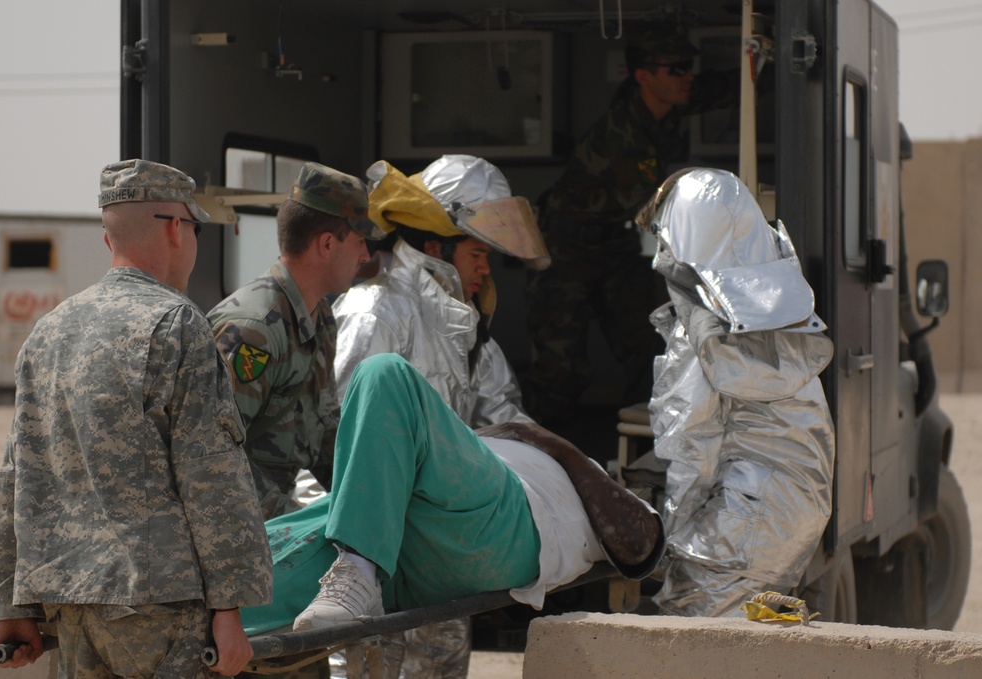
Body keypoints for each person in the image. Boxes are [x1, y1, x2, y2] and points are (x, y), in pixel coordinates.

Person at [0, 159, 273, 677]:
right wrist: (231, 606)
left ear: (107, 240)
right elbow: (211, 474)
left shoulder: (47, 333)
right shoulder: (177, 323)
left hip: (71, 603)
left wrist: (10, 606)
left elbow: (15, 477)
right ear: (173, 228)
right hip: (160, 604)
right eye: (195, 226)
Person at [239, 353, 665, 639]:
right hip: (401, 540)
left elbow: (642, 546)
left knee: (383, 371)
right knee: (241, 571)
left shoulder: (570, 475)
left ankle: (358, 570)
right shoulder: (472, 451)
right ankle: (353, 573)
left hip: (500, 522)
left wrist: (554, 445)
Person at [632, 167, 834, 616]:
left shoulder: (703, 334)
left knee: (696, 650)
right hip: (792, 513)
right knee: (751, 647)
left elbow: (690, 447)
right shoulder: (779, 313)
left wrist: (663, 541)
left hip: (738, 526)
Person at [523, 20, 734, 427]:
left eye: (688, 67)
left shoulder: (666, 102)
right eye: (676, 69)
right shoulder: (622, 137)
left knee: (648, 352)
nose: (687, 77)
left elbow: (718, 88)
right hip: (566, 254)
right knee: (560, 372)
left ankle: (647, 449)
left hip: (614, 250)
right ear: (644, 76)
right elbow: (655, 213)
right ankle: (535, 459)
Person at [208, 162, 386, 520]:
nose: (366, 255)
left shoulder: (320, 319)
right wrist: (295, 521)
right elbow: (215, 458)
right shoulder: (254, 329)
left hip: (269, 516)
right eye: (359, 241)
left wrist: (376, 503)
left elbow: (324, 436)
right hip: (236, 525)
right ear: (326, 244)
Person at [334, 154, 549, 428]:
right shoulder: (374, 315)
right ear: (436, 249)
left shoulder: (466, 323)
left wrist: (557, 456)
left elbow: (501, 415)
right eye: (476, 255)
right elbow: (346, 436)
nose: (485, 269)